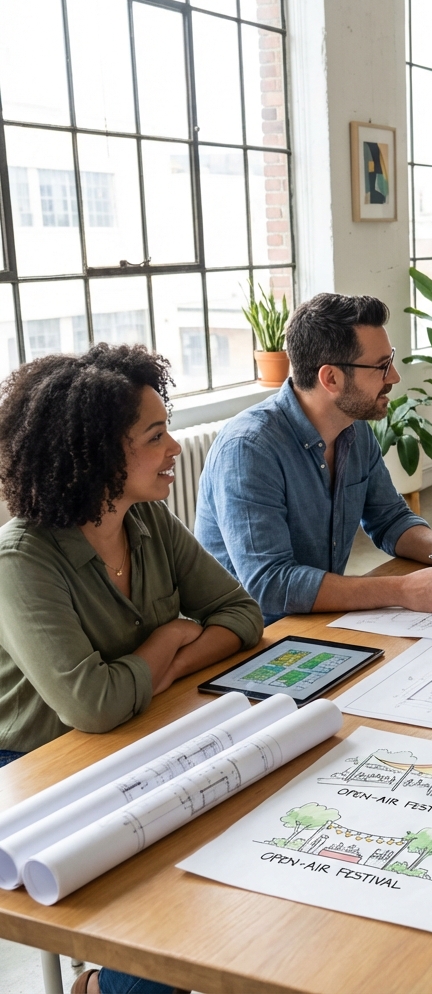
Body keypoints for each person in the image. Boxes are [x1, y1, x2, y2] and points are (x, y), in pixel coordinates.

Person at [0, 345, 265, 994]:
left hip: (133, 728)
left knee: (238, 832)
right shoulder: (21, 557)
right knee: (163, 901)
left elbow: (241, 614)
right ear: (98, 455)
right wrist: (168, 640)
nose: (174, 447)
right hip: (35, 763)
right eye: (155, 436)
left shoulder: (143, 517)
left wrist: (157, 672)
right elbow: (89, 706)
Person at [194, 293, 432, 624]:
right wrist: (400, 590)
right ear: (331, 379)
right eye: (382, 365)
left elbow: (390, 518)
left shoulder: (353, 429)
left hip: (316, 619)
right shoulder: (248, 449)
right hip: (253, 637)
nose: (394, 376)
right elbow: (271, 584)